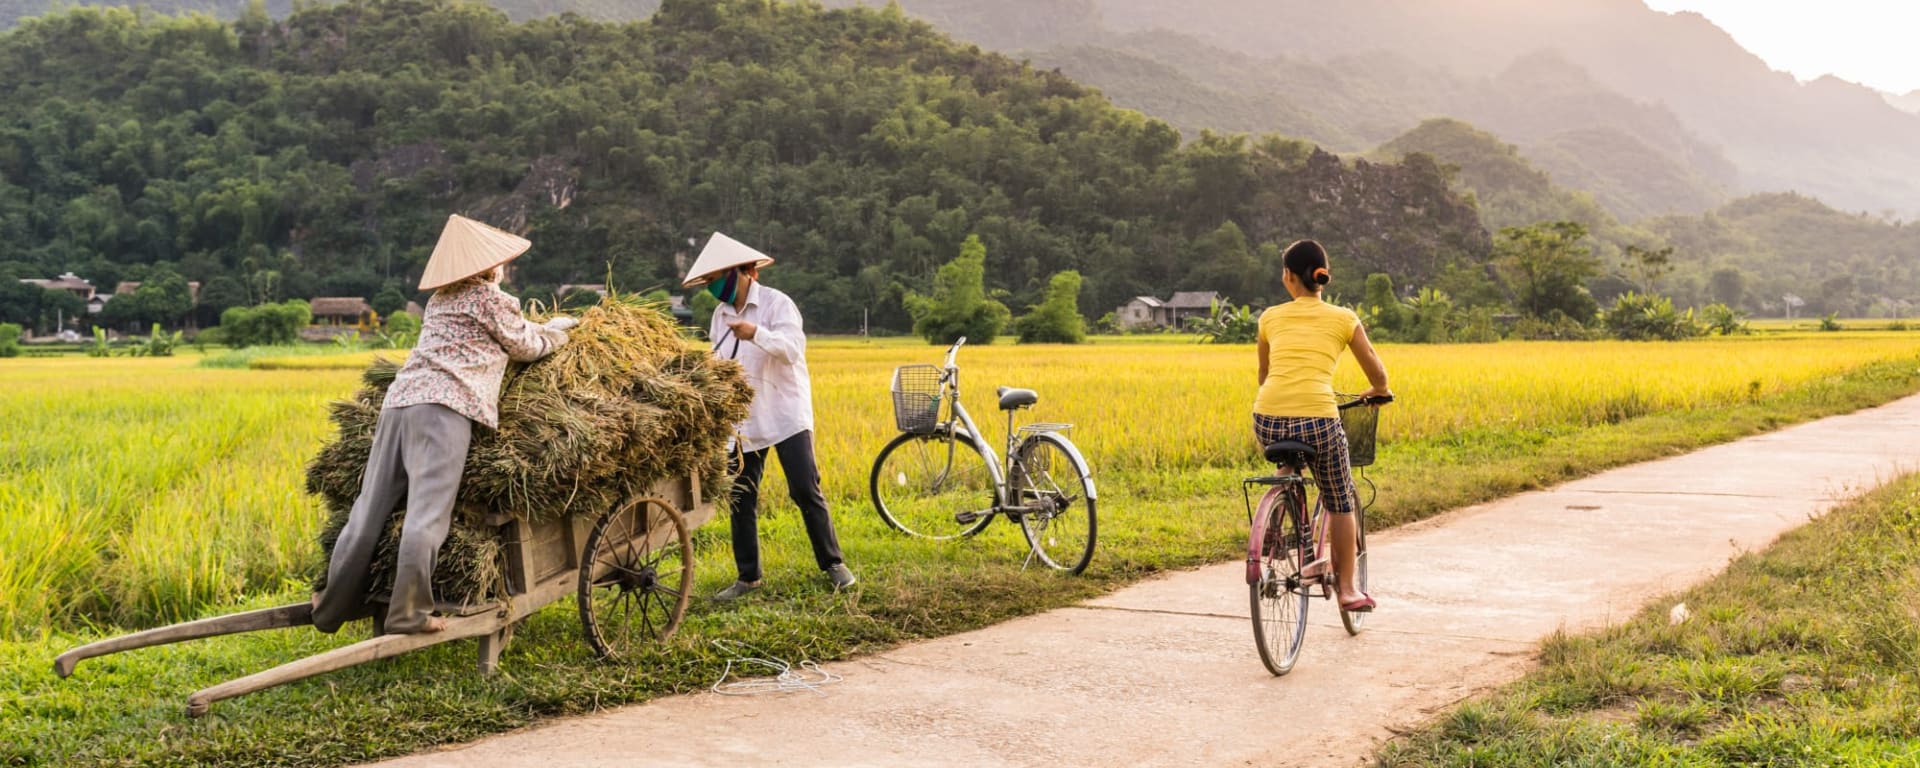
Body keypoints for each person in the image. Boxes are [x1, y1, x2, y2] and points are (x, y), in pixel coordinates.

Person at [313, 214, 576, 634]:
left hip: (399, 404)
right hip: (444, 409)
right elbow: (526, 346)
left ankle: (330, 605)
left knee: (368, 509)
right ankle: (409, 613)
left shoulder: (440, 299)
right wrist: (559, 332)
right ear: (489, 267)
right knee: (427, 515)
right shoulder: (491, 299)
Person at [683, 232, 855, 599]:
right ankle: (748, 578)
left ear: (740, 272)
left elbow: (792, 350)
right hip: (743, 421)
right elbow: (719, 362)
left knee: (805, 489)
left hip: (784, 413)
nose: (712, 288)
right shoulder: (721, 314)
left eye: (715, 279)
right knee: (741, 497)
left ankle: (833, 564)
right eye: (709, 282)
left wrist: (756, 333)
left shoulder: (778, 305)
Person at [1253, 239, 1391, 613]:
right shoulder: (1344, 318)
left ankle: (1278, 520)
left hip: (1266, 419)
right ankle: (1347, 589)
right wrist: (1379, 391)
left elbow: (1265, 376)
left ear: (1288, 277)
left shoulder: (1269, 318)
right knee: (1340, 497)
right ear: (1322, 278)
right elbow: (1377, 372)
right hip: (1319, 419)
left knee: (1288, 452)